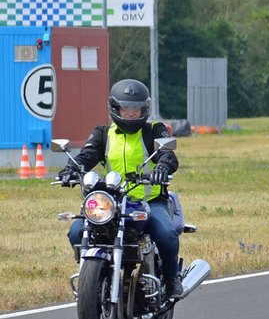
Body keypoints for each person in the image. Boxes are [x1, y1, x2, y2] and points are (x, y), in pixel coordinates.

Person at [57, 79, 184, 297]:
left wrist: (162, 166)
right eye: (126, 108)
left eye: (136, 108)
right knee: (76, 231)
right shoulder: (103, 134)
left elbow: (168, 154)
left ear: (145, 108)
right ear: (115, 108)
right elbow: (86, 156)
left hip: (149, 202)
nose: (131, 113)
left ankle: (172, 280)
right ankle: (95, 275)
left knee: (166, 235)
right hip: (112, 201)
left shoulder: (154, 130)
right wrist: (71, 169)